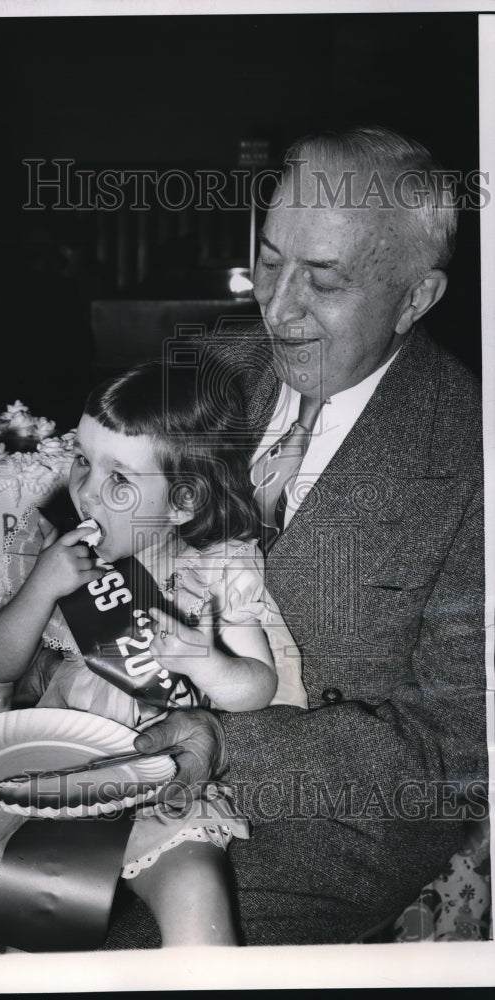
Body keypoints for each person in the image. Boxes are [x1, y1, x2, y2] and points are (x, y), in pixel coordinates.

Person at [114, 126, 487, 947]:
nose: (276, 309)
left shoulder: (471, 453)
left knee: (127, 955)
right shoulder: (210, 363)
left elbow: (460, 747)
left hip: (325, 819)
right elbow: (96, 522)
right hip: (130, 741)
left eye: (322, 280)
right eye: (271, 258)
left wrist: (225, 744)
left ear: (416, 298)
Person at [0, 360, 307, 949]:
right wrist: (41, 587)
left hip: (167, 781)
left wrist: (205, 663)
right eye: (83, 459)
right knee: (36, 931)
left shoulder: (219, 566)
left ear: (183, 502)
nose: (86, 490)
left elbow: (259, 687)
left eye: (121, 480)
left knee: (198, 894)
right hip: (70, 781)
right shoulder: (61, 554)